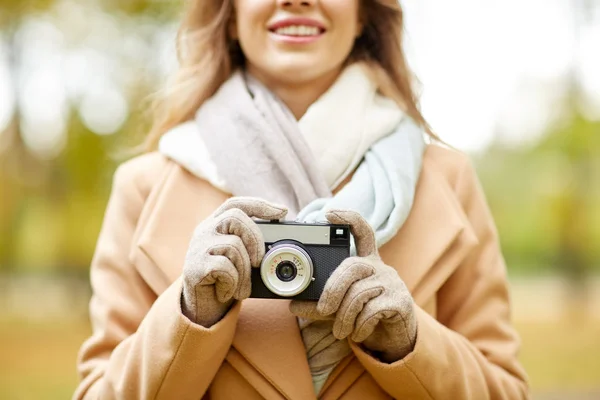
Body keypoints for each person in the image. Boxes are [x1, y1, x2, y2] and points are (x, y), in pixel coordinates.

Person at [74, 0, 529, 399]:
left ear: (363, 15)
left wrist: (411, 345)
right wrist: (189, 315)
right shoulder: (144, 187)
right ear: (229, 15)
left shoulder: (447, 181)